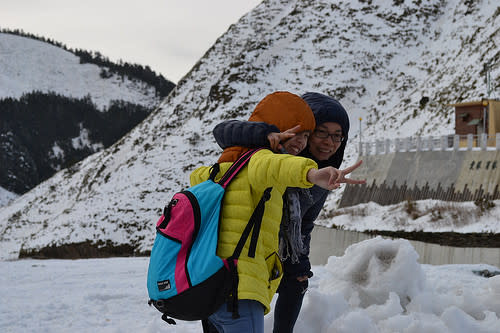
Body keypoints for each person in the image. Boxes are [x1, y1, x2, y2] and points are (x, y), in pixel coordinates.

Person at [192, 91, 363, 333]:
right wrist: (263, 136)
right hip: (235, 255)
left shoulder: (324, 176)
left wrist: (300, 264)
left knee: (297, 280)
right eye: (321, 133)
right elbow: (224, 131)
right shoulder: (269, 156)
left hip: (269, 248)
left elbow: (303, 225)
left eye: (338, 136)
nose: (330, 142)